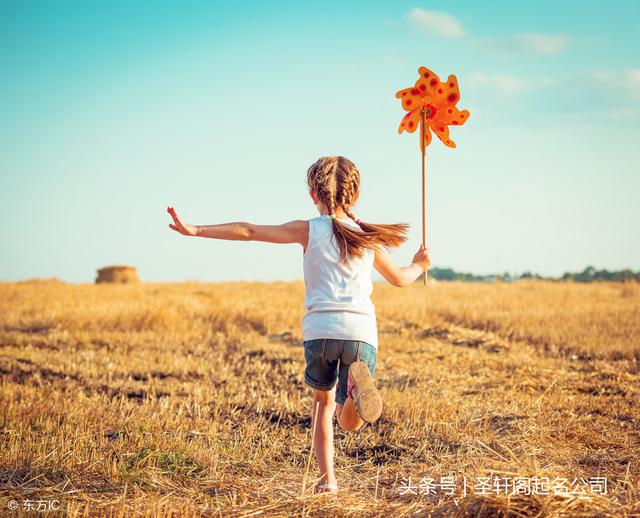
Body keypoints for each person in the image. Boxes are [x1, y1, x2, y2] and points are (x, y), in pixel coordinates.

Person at [167, 155, 432, 495]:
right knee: (349, 422)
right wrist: (419, 264)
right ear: (356, 196)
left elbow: (249, 231)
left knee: (322, 405)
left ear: (313, 194)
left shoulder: (308, 229)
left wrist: (196, 230)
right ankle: (355, 394)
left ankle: (328, 481)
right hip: (361, 333)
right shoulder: (367, 236)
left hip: (320, 331)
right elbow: (399, 279)